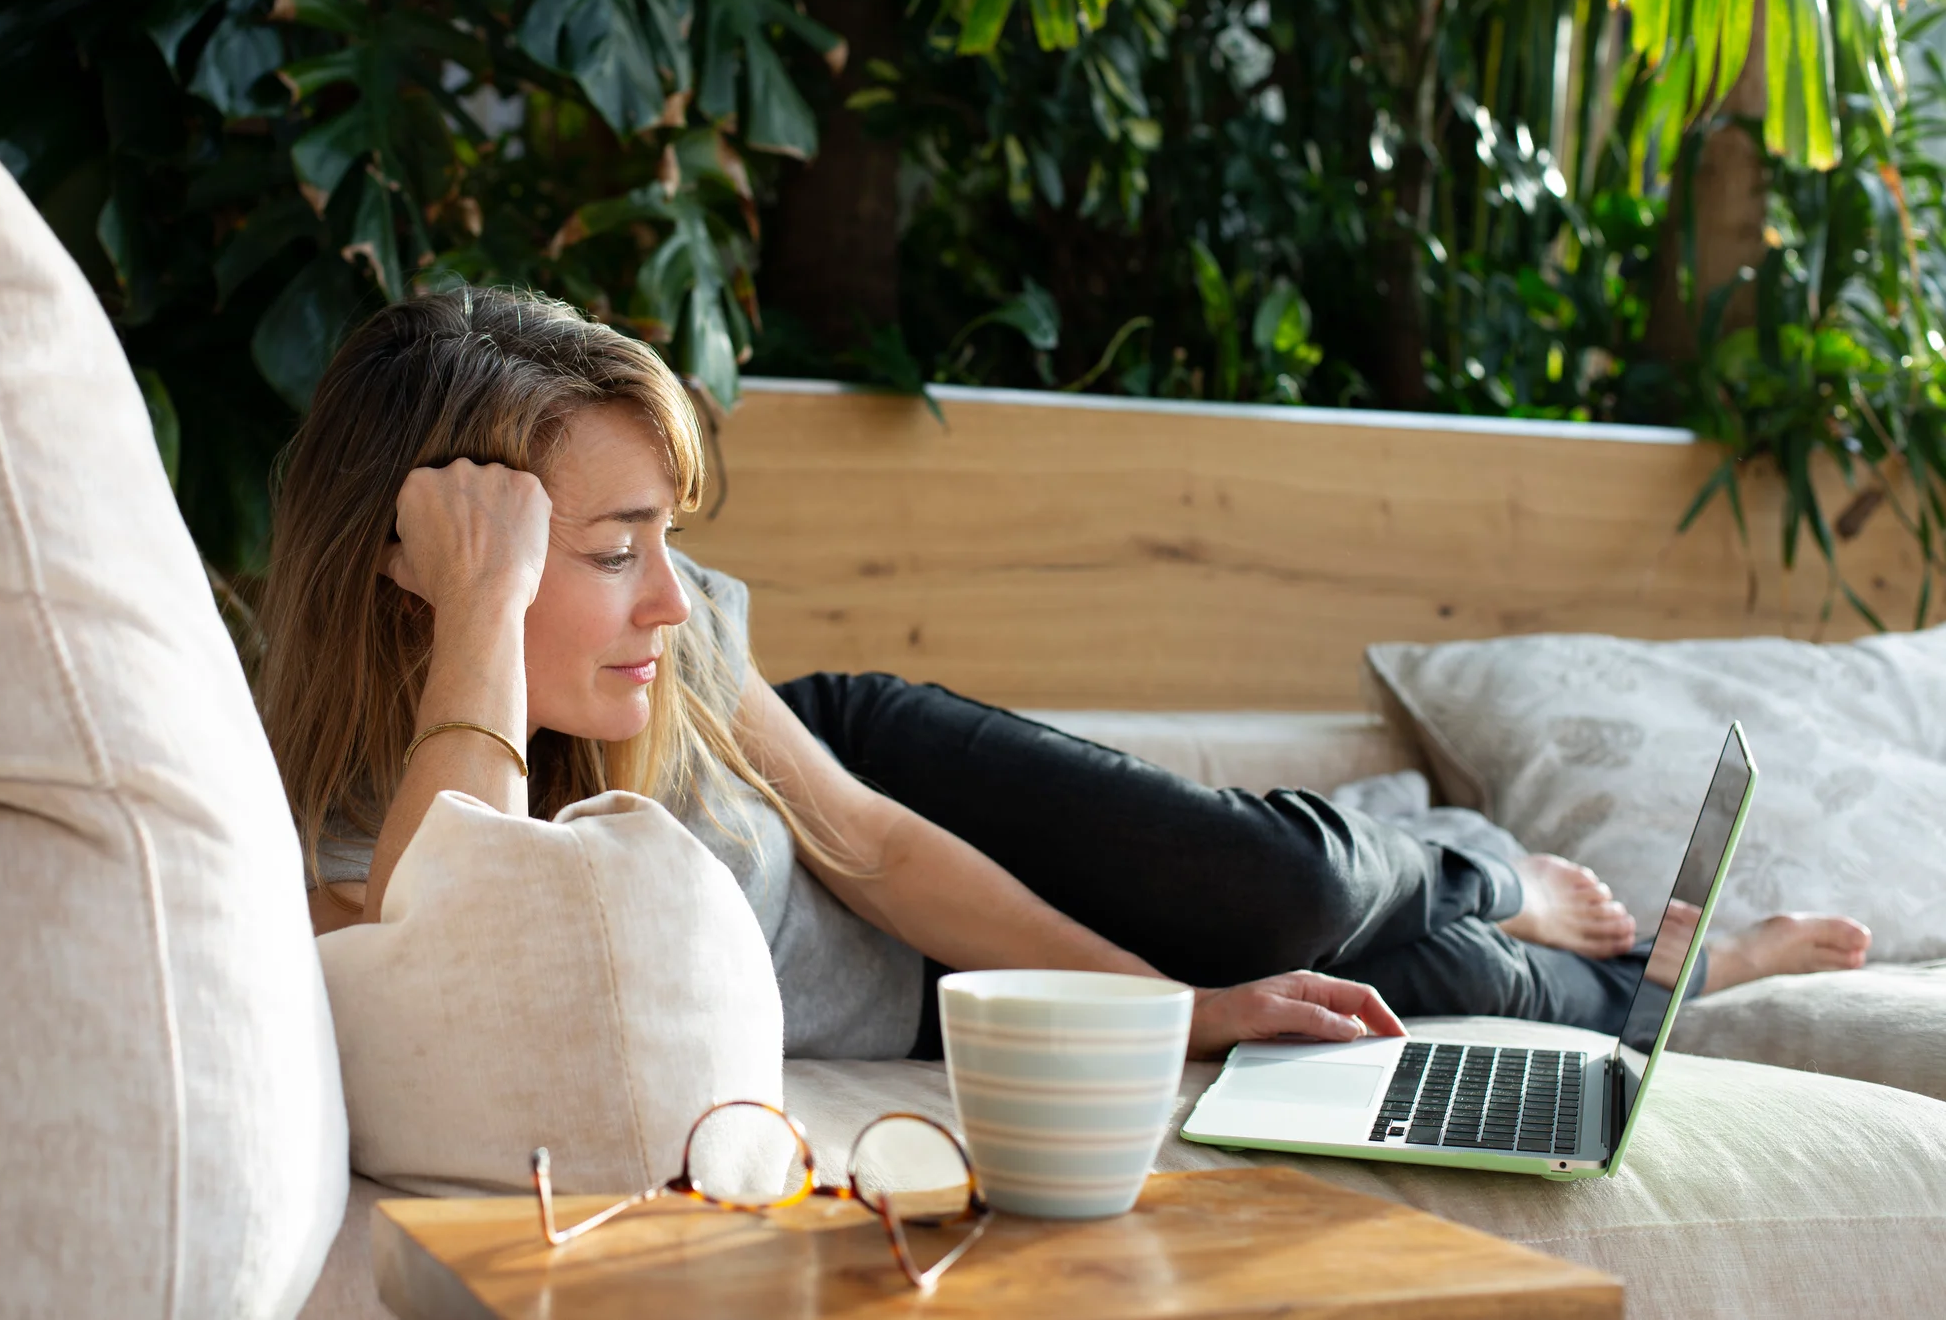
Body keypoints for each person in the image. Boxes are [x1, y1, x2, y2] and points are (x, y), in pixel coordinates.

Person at [262, 288, 1872, 1061]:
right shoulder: (344, 837)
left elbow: (871, 847)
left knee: (1271, 895)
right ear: (431, 557)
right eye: (614, 549)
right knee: (1369, 1009)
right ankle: (1684, 979)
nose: (678, 598)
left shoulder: (684, 659)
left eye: (667, 538)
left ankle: (1481, 862)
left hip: (884, 779)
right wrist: (476, 620)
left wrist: (1172, 1008)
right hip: (927, 1001)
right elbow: (460, 957)